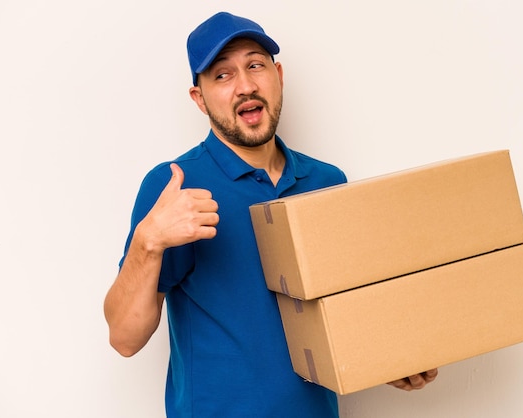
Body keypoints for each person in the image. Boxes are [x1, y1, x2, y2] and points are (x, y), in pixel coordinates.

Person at [104, 11, 437, 417]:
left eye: (255, 65)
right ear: (199, 98)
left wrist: (392, 360)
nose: (245, 85)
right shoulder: (175, 185)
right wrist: (147, 242)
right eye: (222, 75)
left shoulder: (327, 181)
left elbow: (342, 318)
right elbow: (124, 338)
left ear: (278, 75)